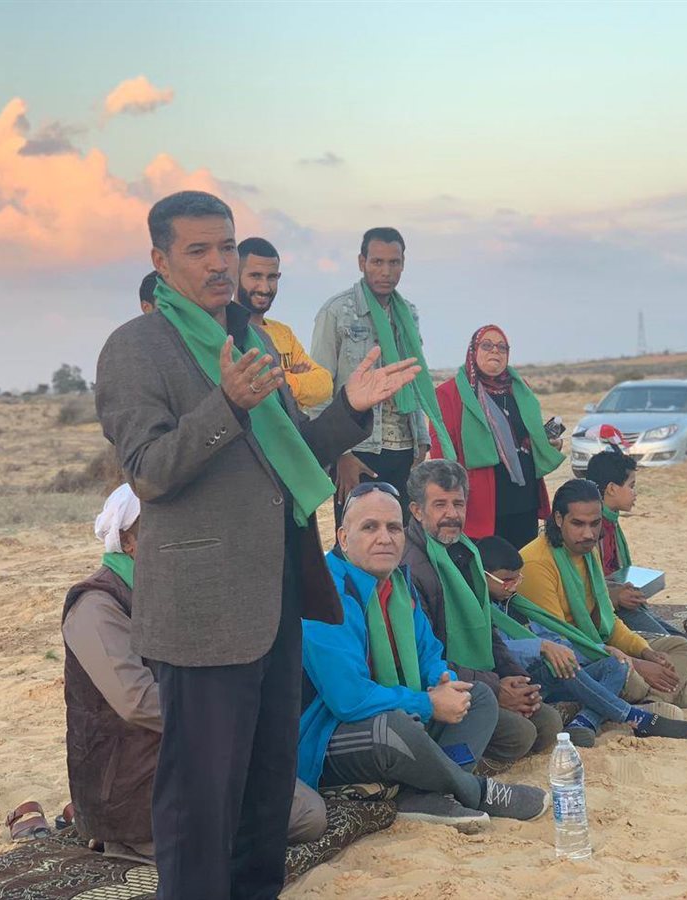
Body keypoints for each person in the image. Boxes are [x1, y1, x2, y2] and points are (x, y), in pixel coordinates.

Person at [95, 190, 419, 900]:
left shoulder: (252, 338)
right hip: (204, 610)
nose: (220, 263)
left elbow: (292, 451)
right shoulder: (136, 348)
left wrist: (349, 409)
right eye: (199, 250)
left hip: (275, 596)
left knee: (267, 787)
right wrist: (226, 405)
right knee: (201, 798)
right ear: (161, 261)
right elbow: (148, 471)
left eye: (227, 247)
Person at [62, 485, 326, 864]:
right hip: (133, 778)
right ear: (128, 542)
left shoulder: (177, 592)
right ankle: (130, 839)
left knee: (308, 815)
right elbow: (137, 701)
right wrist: (222, 715)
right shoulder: (97, 605)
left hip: (195, 752)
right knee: (257, 831)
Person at [300, 483, 549, 830]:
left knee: (477, 697)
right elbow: (349, 699)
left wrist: (443, 683)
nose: (384, 538)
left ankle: (426, 794)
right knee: (393, 728)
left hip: (403, 710)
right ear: (343, 537)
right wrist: (428, 704)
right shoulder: (324, 593)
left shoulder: (399, 583)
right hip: (330, 733)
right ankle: (474, 791)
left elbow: (429, 652)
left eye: (393, 527)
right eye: (370, 527)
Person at [400, 460, 563, 765]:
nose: (452, 514)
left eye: (458, 504)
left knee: (549, 724)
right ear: (417, 511)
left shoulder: (466, 552)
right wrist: (496, 688)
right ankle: (453, 763)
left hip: (483, 679)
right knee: (521, 734)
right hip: (440, 687)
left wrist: (515, 678)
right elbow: (425, 658)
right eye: (440, 505)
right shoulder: (410, 567)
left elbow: (487, 630)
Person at [477, 535, 687, 747]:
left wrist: (602, 650)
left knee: (616, 663)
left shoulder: (516, 602)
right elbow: (494, 649)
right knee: (560, 663)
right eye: (507, 581)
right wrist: (541, 648)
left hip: (562, 669)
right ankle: (637, 717)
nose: (514, 586)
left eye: (518, 579)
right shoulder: (482, 607)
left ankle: (585, 722)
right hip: (520, 679)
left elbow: (557, 637)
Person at [518, 479, 687, 710]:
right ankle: (664, 697)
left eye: (595, 524)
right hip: (567, 657)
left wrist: (645, 652)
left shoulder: (587, 551)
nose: (588, 534)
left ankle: (654, 702)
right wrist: (636, 664)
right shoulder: (537, 563)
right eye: (578, 524)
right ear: (558, 519)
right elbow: (558, 642)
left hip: (598, 641)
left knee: (680, 647)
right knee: (631, 679)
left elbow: (608, 619)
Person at [310, 227, 455, 520]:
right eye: (377, 262)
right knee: (358, 534)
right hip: (358, 449)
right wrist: (340, 456)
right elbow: (319, 390)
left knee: (401, 535)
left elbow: (414, 377)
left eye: (393, 262)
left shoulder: (408, 314)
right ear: (361, 262)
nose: (386, 271)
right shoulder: (337, 312)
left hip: (405, 450)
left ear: (403, 264)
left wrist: (421, 440)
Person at [429, 325, 565, 548]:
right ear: (473, 350)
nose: (495, 351)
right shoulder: (449, 393)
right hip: (481, 501)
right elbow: (441, 451)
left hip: (524, 497)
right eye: (487, 345)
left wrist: (547, 444)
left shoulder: (520, 388)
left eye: (502, 347)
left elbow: (525, 437)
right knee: (488, 563)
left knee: (523, 562)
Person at [585, 446, 687, 666]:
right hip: (606, 613)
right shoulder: (592, 528)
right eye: (631, 486)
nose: (635, 493)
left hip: (622, 604)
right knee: (682, 654)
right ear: (611, 489)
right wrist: (616, 597)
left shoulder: (611, 521)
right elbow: (584, 585)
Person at [235, 237, 333, 409]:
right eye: (255, 276)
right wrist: (298, 383)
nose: (265, 288)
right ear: (234, 275)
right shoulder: (226, 331)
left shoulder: (283, 333)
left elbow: (325, 383)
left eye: (272, 277)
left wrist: (284, 386)